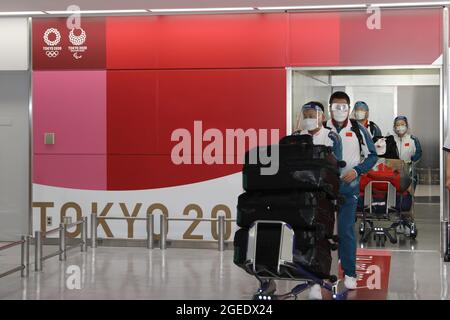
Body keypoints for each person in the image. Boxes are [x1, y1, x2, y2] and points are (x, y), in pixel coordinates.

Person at [325, 92, 378, 290]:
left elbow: (372, 156)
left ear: (349, 108)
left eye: (343, 107)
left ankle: (349, 273)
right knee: (324, 232)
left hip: (349, 189)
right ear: (330, 107)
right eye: (336, 107)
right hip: (325, 191)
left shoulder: (358, 130)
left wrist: (357, 171)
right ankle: (322, 273)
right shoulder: (322, 129)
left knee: (346, 231)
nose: (340, 111)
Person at [293, 101, 343, 300]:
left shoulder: (331, 137)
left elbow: (336, 167)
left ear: (321, 116)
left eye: (312, 114)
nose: (309, 118)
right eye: (305, 114)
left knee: (321, 238)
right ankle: (300, 271)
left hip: (323, 196)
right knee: (300, 236)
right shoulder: (296, 137)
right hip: (300, 194)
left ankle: (316, 281)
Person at [392, 116, 422, 190]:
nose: (400, 127)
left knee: (408, 197)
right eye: (397, 125)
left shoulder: (413, 139)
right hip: (393, 173)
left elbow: (418, 154)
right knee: (395, 196)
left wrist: (411, 162)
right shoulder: (391, 139)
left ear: (407, 126)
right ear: (394, 127)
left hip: (409, 173)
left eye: (402, 124)